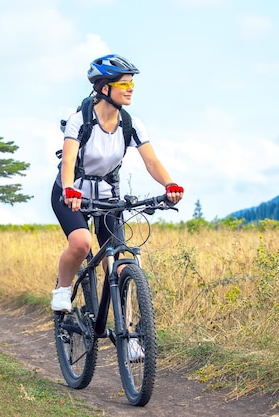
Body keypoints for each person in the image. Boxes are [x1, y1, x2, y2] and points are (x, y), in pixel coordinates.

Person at [51, 54, 184, 312]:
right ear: (104, 88)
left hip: (107, 197)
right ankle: (63, 289)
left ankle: (130, 332)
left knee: (118, 262)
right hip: (71, 193)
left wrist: (170, 185)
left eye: (132, 83)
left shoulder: (131, 124)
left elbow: (151, 161)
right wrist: (69, 189)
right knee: (81, 243)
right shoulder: (80, 120)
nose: (131, 88)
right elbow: (68, 161)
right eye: (124, 84)